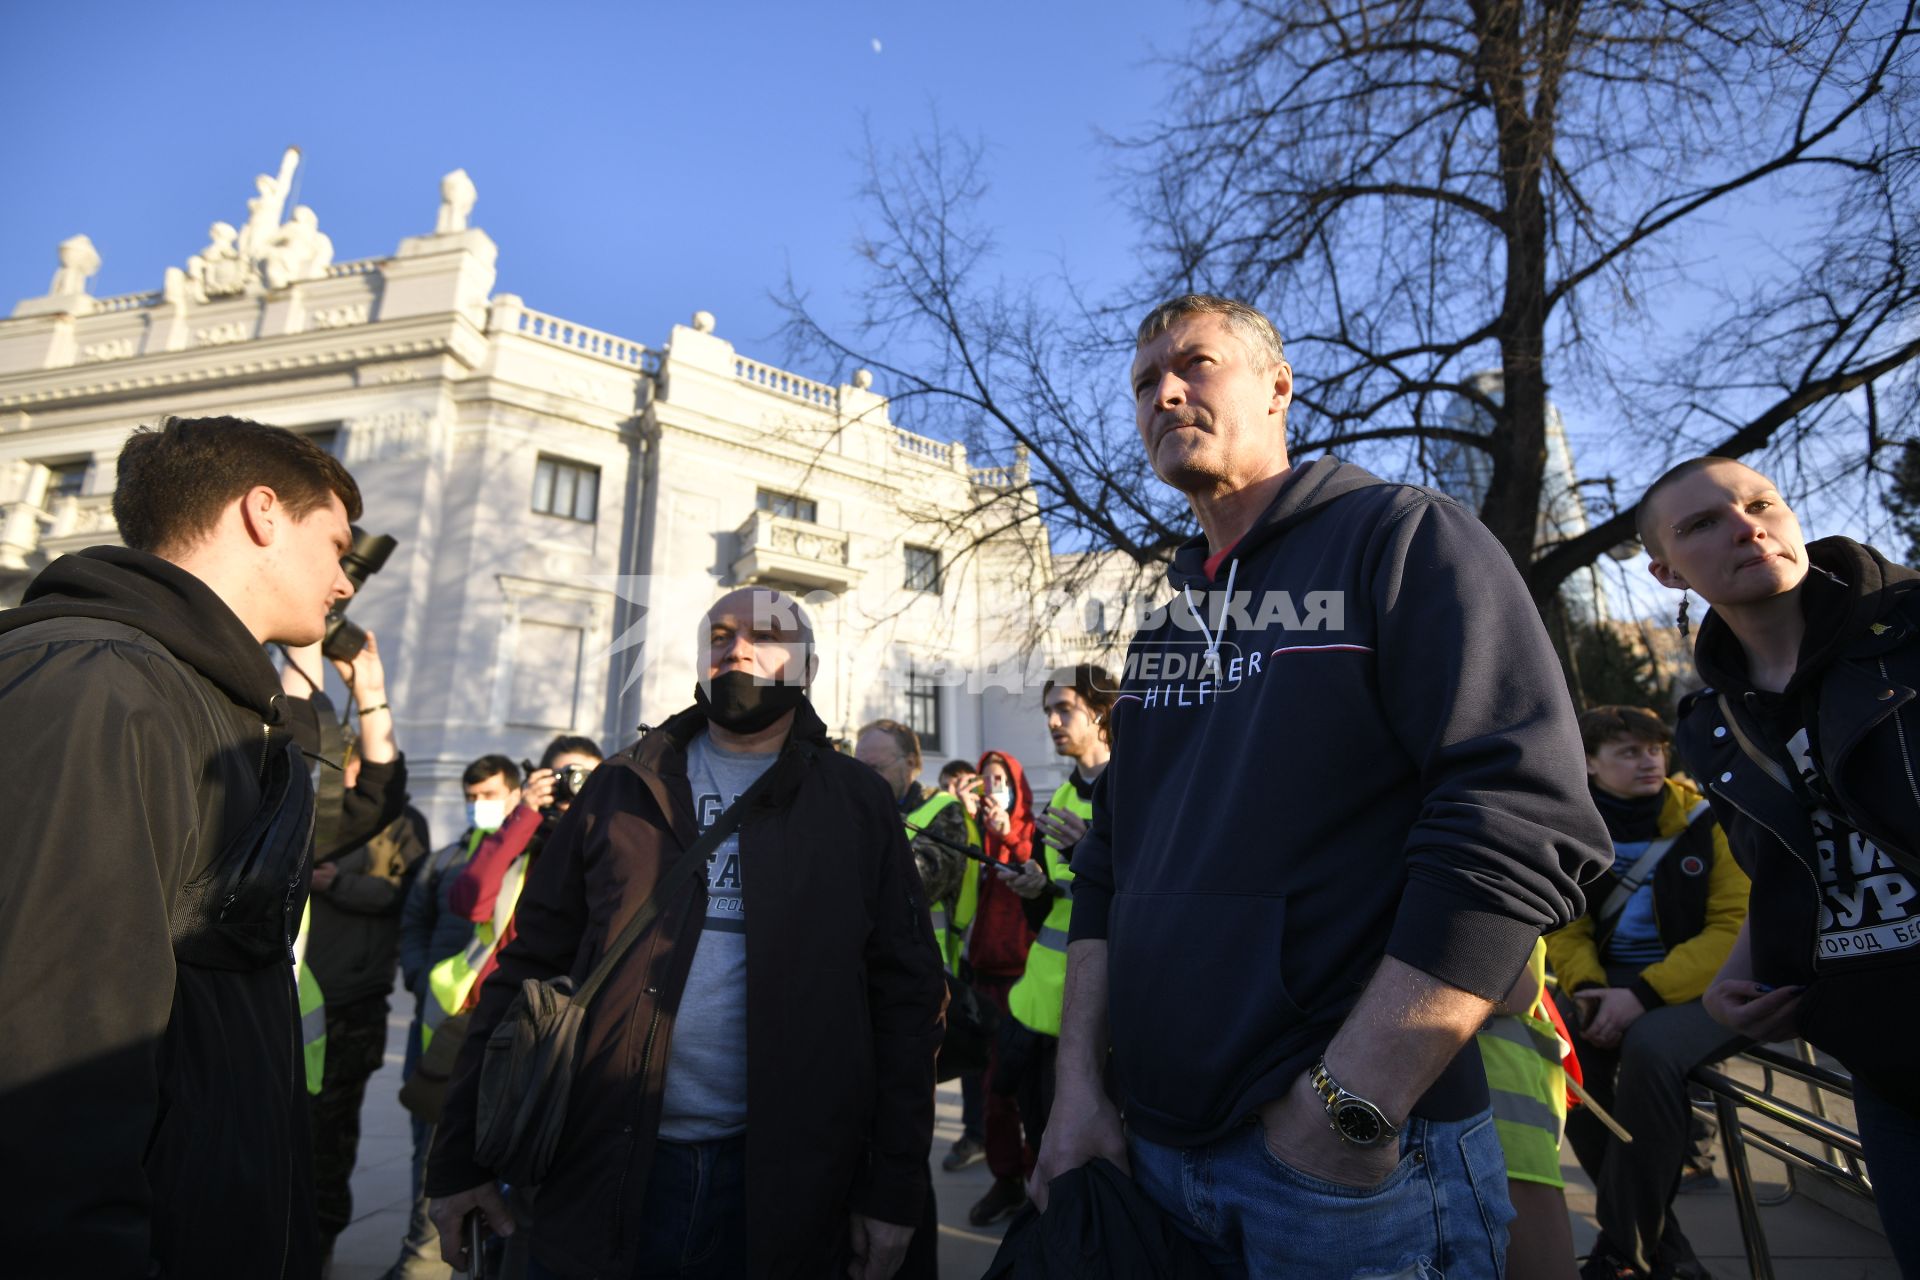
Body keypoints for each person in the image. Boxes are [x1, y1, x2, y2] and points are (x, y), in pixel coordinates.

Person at [1032, 296, 1609, 1278]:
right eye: (1142, 382)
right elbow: (1110, 866)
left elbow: (1521, 820)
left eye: (1196, 363)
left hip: (1354, 1170)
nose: (1164, 390)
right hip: (1155, 1148)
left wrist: (1346, 1110)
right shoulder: (1166, 629)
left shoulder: (1404, 536)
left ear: (1278, 386)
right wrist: (1078, 1091)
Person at [427, 587, 946, 1279]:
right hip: (602, 1171)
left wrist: (893, 1188)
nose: (738, 648)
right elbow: (524, 965)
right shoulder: (621, 786)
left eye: (767, 635)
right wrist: (458, 1156)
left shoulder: (856, 803)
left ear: (808, 667)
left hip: (788, 1186)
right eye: (721, 635)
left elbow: (906, 999)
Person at [0, 414, 362, 1278]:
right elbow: (56, 1053)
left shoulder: (200, 696)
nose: (346, 582)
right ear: (264, 513)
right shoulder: (102, 689)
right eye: (338, 546)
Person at [1639, 455, 1920, 1273]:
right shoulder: (1708, 724)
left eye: (1762, 503)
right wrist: (1738, 978)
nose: (1746, 525)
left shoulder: (1908, 630)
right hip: (1878, 1055)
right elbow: (1784, 873)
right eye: (1702, 524)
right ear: (1666, 571)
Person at [1543, 705, 1748, 1279]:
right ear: (1589, 762)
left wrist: (1645, 996)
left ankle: (1624, 1251)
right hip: (1610, 988)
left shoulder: (1710, 822)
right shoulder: (1576, 830)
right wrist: (1587, 988)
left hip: (1703, 990)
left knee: (1651, 1049)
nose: (1649, 761)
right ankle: (1667, 1253)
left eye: (1655, 749)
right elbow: (1567, 923)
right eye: (1628, 752)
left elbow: (1733, 928)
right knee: (1561, 1051)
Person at [280, 633, 422, 1271]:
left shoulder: (395, 820)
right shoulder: (297, 810)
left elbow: (402, 893)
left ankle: (316, 1251)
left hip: (349, 1004)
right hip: (284, 1004)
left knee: (324, 1151)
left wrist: (343, 882)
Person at [385, 755, 522, 1280]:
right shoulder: (442, 862)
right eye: (471, 796)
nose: (477, 805)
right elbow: (414, 925)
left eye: (488, 794)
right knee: (429, 1152)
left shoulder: (525, 859)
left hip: (491, 1029)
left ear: (513, 794)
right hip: (435, 1027)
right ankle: (421, 1259)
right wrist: (420, 977)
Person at [1000, 666, 1114, 1161]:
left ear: (1101, 711)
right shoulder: (1062, 798)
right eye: (1049, 710)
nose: (1052, 721)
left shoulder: (1141, 790)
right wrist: (1032, 891)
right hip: (1037, 1008)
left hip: (1105, 1020)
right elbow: (1056, 907)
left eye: (1064, 708)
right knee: (1040, 1150)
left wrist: (1089, 850)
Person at [965, 748, 1041, 1227]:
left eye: (1001, 778)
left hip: (1026, 979)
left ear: (1015, 784)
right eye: (986, 778)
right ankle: (1007, 1179)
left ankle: (1037, 1185)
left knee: (1029, 1092)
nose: (994, 786)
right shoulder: (973, 831)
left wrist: (1006, 834)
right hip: (983, 975)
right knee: (993, 1092)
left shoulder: (1028, 828)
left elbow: (1033, 868)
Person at [931, 757, 991, 1172]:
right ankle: (976, 1132)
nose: (964, 791)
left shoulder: (984, 824)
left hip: (983, 955)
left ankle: (981, 1132)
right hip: (956, 957)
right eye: (955, 785)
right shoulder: (946, 822)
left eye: (971, 784)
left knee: (980, 1054)